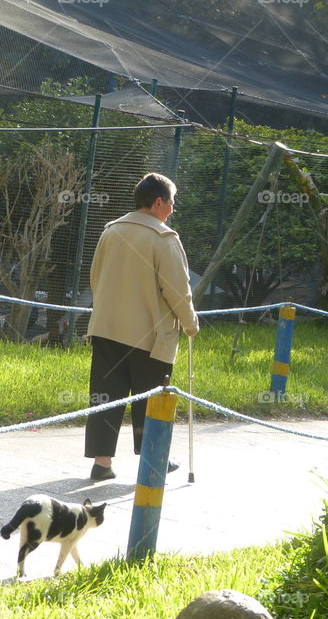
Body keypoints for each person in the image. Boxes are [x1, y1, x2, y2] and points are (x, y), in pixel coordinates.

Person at [84, 172, 199, 481]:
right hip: (150, 334)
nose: (173, 209)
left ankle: (102, 463)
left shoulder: (111, 231)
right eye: (172, 202)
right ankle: (153, 459)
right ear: (158, 202)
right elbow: (177, 289)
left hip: (107, 327)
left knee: (106, 396)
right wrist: (190, 323)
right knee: (151, 398)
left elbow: (96, 277)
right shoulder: (164, 238)